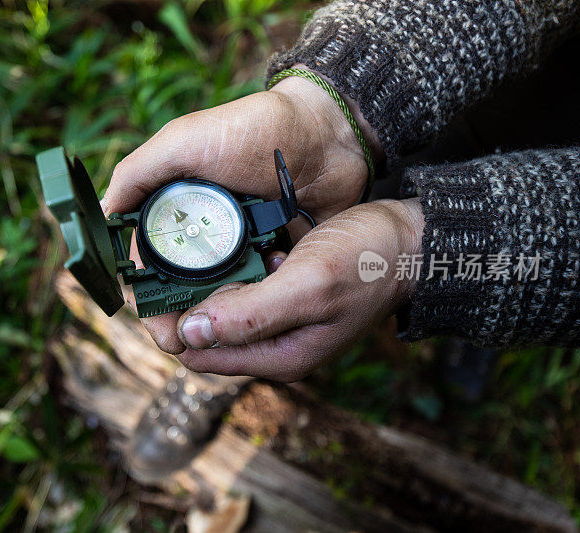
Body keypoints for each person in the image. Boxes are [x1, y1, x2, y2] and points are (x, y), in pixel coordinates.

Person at [102, 0, 580, 385]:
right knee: (351, 211)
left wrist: (424, 247)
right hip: (461, 96)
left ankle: (468, 319)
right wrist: (330, 113)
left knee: (440, 270)